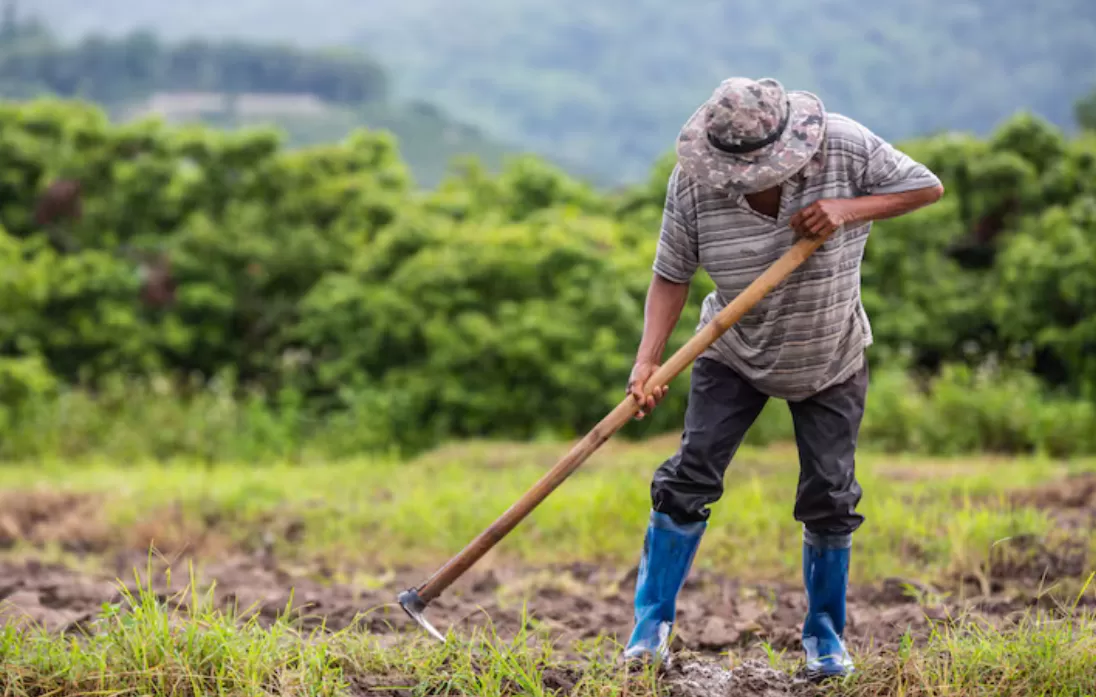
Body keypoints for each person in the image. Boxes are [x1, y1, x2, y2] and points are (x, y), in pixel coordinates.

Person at [621, 77, 944, 680]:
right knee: (689, 476)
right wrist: (648, 360)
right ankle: (649, 631)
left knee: (829, 494)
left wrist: (847, 209)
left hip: (830, 353)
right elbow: (671, 274)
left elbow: (925, 186)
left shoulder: (844, 146)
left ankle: (824, 639)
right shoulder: (694, 182)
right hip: (732, 349)